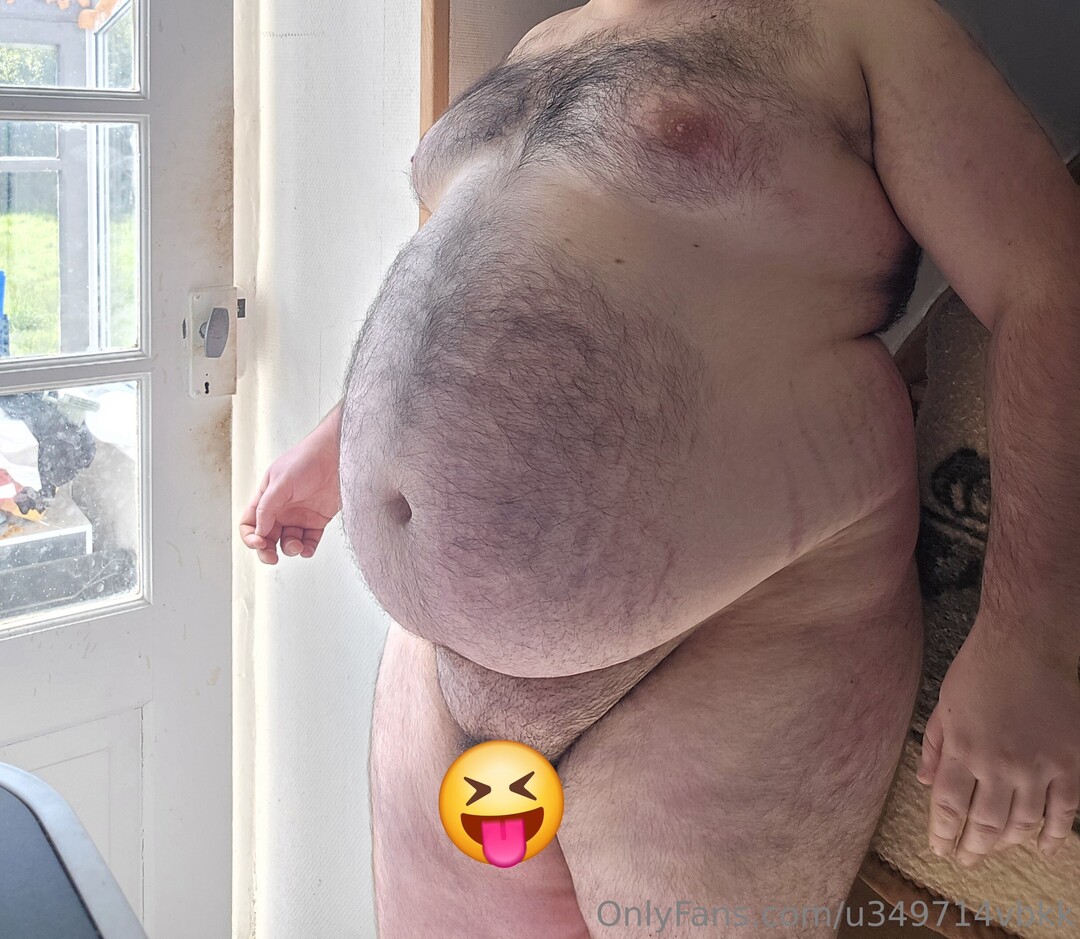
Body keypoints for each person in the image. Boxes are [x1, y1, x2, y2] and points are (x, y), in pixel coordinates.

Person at [241, 0, 1080, 934]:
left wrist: (1027, 644)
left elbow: (1049, 278)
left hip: (744, 625)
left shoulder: (859, 21)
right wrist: (340, 436)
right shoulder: (546, 40)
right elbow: (485, 259)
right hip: (434, 655)